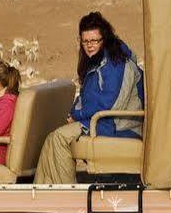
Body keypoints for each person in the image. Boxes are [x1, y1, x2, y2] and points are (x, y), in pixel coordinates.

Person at [33, 12, 143, 184]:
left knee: (60, 138)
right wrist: (73, 112)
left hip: (119, 125)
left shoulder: (116, 63)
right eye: (85, 41)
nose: (89, 46)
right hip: (101, 121)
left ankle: (67, 197)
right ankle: (40, 196)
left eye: (94, 41)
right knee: (50, 140)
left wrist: (77, 116)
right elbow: (86, 97)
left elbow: (111, 104)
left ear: (104, 38)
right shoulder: (97, 62)